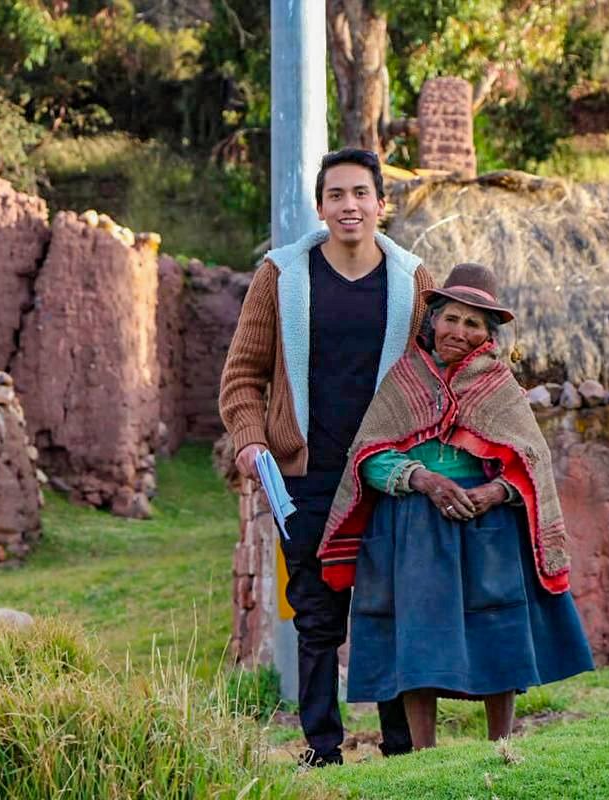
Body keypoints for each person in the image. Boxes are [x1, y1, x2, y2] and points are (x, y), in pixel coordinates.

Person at [318, 262, 595, 749]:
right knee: (418, 632)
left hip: (488, 527)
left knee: (498, 625)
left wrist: (494, 492)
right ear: (433, 321)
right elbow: (368, 456)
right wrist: (422, 479)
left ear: (488, 336)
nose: (459, 332)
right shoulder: (404, 380)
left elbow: (531, 460)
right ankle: (425, 751)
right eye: (451, 318)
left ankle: (501, 744)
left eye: (473, 324)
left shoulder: (499, 387)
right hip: (414, 525)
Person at [219, 148, 435, 766]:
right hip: (306, 476)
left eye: (361, 193)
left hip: (385, 475)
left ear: (381, 204)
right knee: (316, 613)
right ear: (320, 206)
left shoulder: (413, 280)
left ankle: (401, 748)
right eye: (336, 194)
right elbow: (242, 375)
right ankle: (322, 747)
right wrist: (251, 438)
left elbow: (437, 370)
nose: (349, 205)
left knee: (387, 608)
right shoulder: (281, 275)